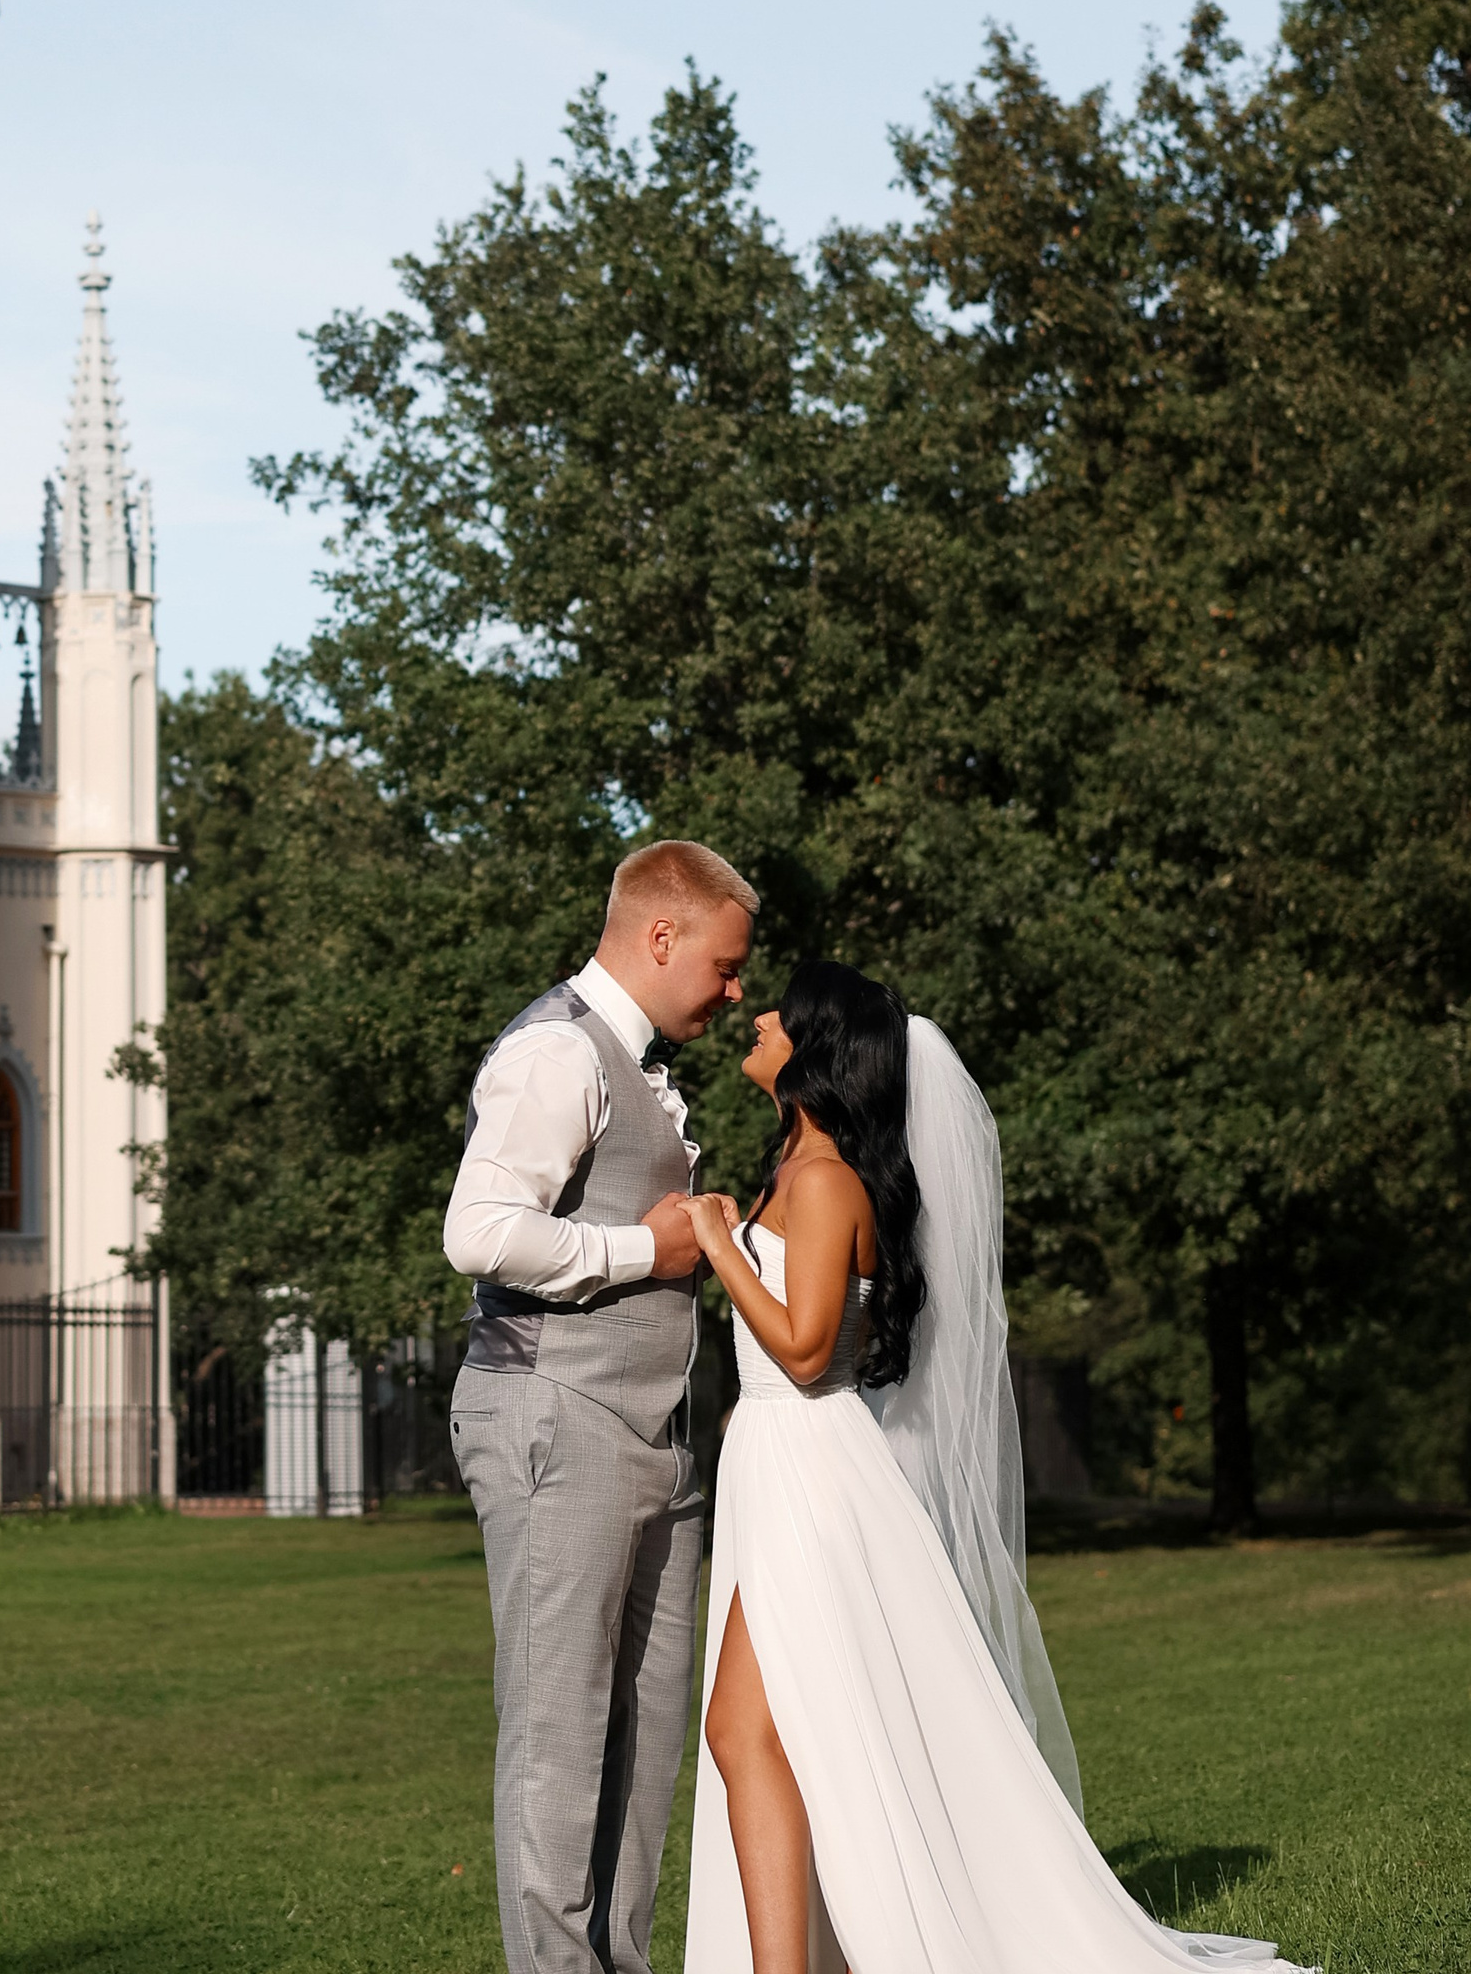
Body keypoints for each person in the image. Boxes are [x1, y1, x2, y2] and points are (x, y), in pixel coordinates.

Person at [681, 961, 1312, 1974]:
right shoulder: (792, 1170)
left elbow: (803, 1353)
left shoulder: (827, 1179)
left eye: (780, 1011)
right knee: (762, 1728)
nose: (755, 1016)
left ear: (816, 1048)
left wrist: (716, 1243)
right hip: (776, 1462)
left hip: (812, 1466)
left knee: (742, 1727)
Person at [445, 837, 758, 1974]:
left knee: (649, 1736)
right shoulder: (555, 1055)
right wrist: (645, 1244)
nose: (733, 992)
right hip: (552, 1415)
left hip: (655, 1437)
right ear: (659, 935)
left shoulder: (639, 1066)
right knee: (561, 1738)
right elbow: (476, 1232)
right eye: (722, 968)